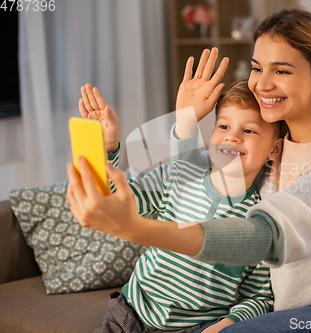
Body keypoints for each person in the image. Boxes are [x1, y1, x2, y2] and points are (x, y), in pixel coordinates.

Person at [68, 7, 311, 332]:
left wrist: (136, 228)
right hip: (288, 311)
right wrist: (176, 123)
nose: (261, 83)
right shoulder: (270, 153)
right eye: (258, 68)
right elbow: (189, 175)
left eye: (282, 70)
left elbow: (264, 237)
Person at [73, 77, 287, 332]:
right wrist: (106, 146)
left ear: (274, 149)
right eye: (224, 126)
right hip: (129, 315)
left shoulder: (258, 219)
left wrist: (226, 325)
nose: (232, 137)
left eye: (248, 130)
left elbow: (259, 298)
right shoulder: (175, 176)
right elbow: (110, 199)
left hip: (194, 327)